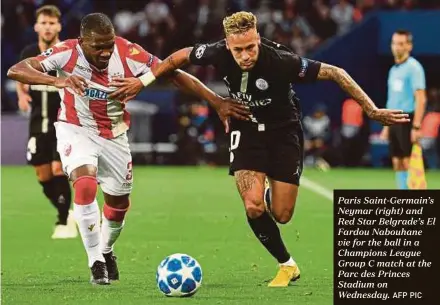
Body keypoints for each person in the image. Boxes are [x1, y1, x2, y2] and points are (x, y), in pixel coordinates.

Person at [106, 11, 409, 287]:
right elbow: (176, 59)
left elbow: (337, 73)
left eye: (251, 47)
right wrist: (143, 81)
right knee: (252, 206)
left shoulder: (281, 60)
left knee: (283, 214)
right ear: (227, 44)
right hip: (245, 128)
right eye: (239, 49)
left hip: (284, 131)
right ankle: (286, 264)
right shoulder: (216, 52)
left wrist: (371, 110)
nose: (246, 55)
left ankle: (268, 194)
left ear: (258, 38)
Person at [8, 12, 249, 285]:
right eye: (98, 46)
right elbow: (16, 69)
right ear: (82, 42)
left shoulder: (127, 52)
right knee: (84, 184)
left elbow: (172, 73)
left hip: (114, 135)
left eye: (108, 44)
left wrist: (216, 101)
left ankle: (107, 250)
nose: (105, 51)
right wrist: (58, 80)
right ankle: (95, 261)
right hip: (75, 129)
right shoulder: (66, 52)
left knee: (118, 204)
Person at [16, 5, 77, 239]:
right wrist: (22, 94)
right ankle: (68, 212)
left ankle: (63, 222)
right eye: (44, 22)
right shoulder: (29, 53)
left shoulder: (66, 53)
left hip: (63, 124)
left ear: (59, 26)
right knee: (43, 175)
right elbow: (20, 77)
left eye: (52, 23)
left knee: (58, 168)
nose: (48, 27)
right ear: (36, 26)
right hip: (37, 124)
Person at [380, 30, 427, 189]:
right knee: (397, 162)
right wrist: (386, 126)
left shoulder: (414, 67)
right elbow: (391, 99)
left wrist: (416, 126)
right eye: (394, 43)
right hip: (393, 120)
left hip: (407, 118)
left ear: (409, 46)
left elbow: (421, 97)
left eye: (401, 44)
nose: (397, 47)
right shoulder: (393, 70)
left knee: (408, 161)